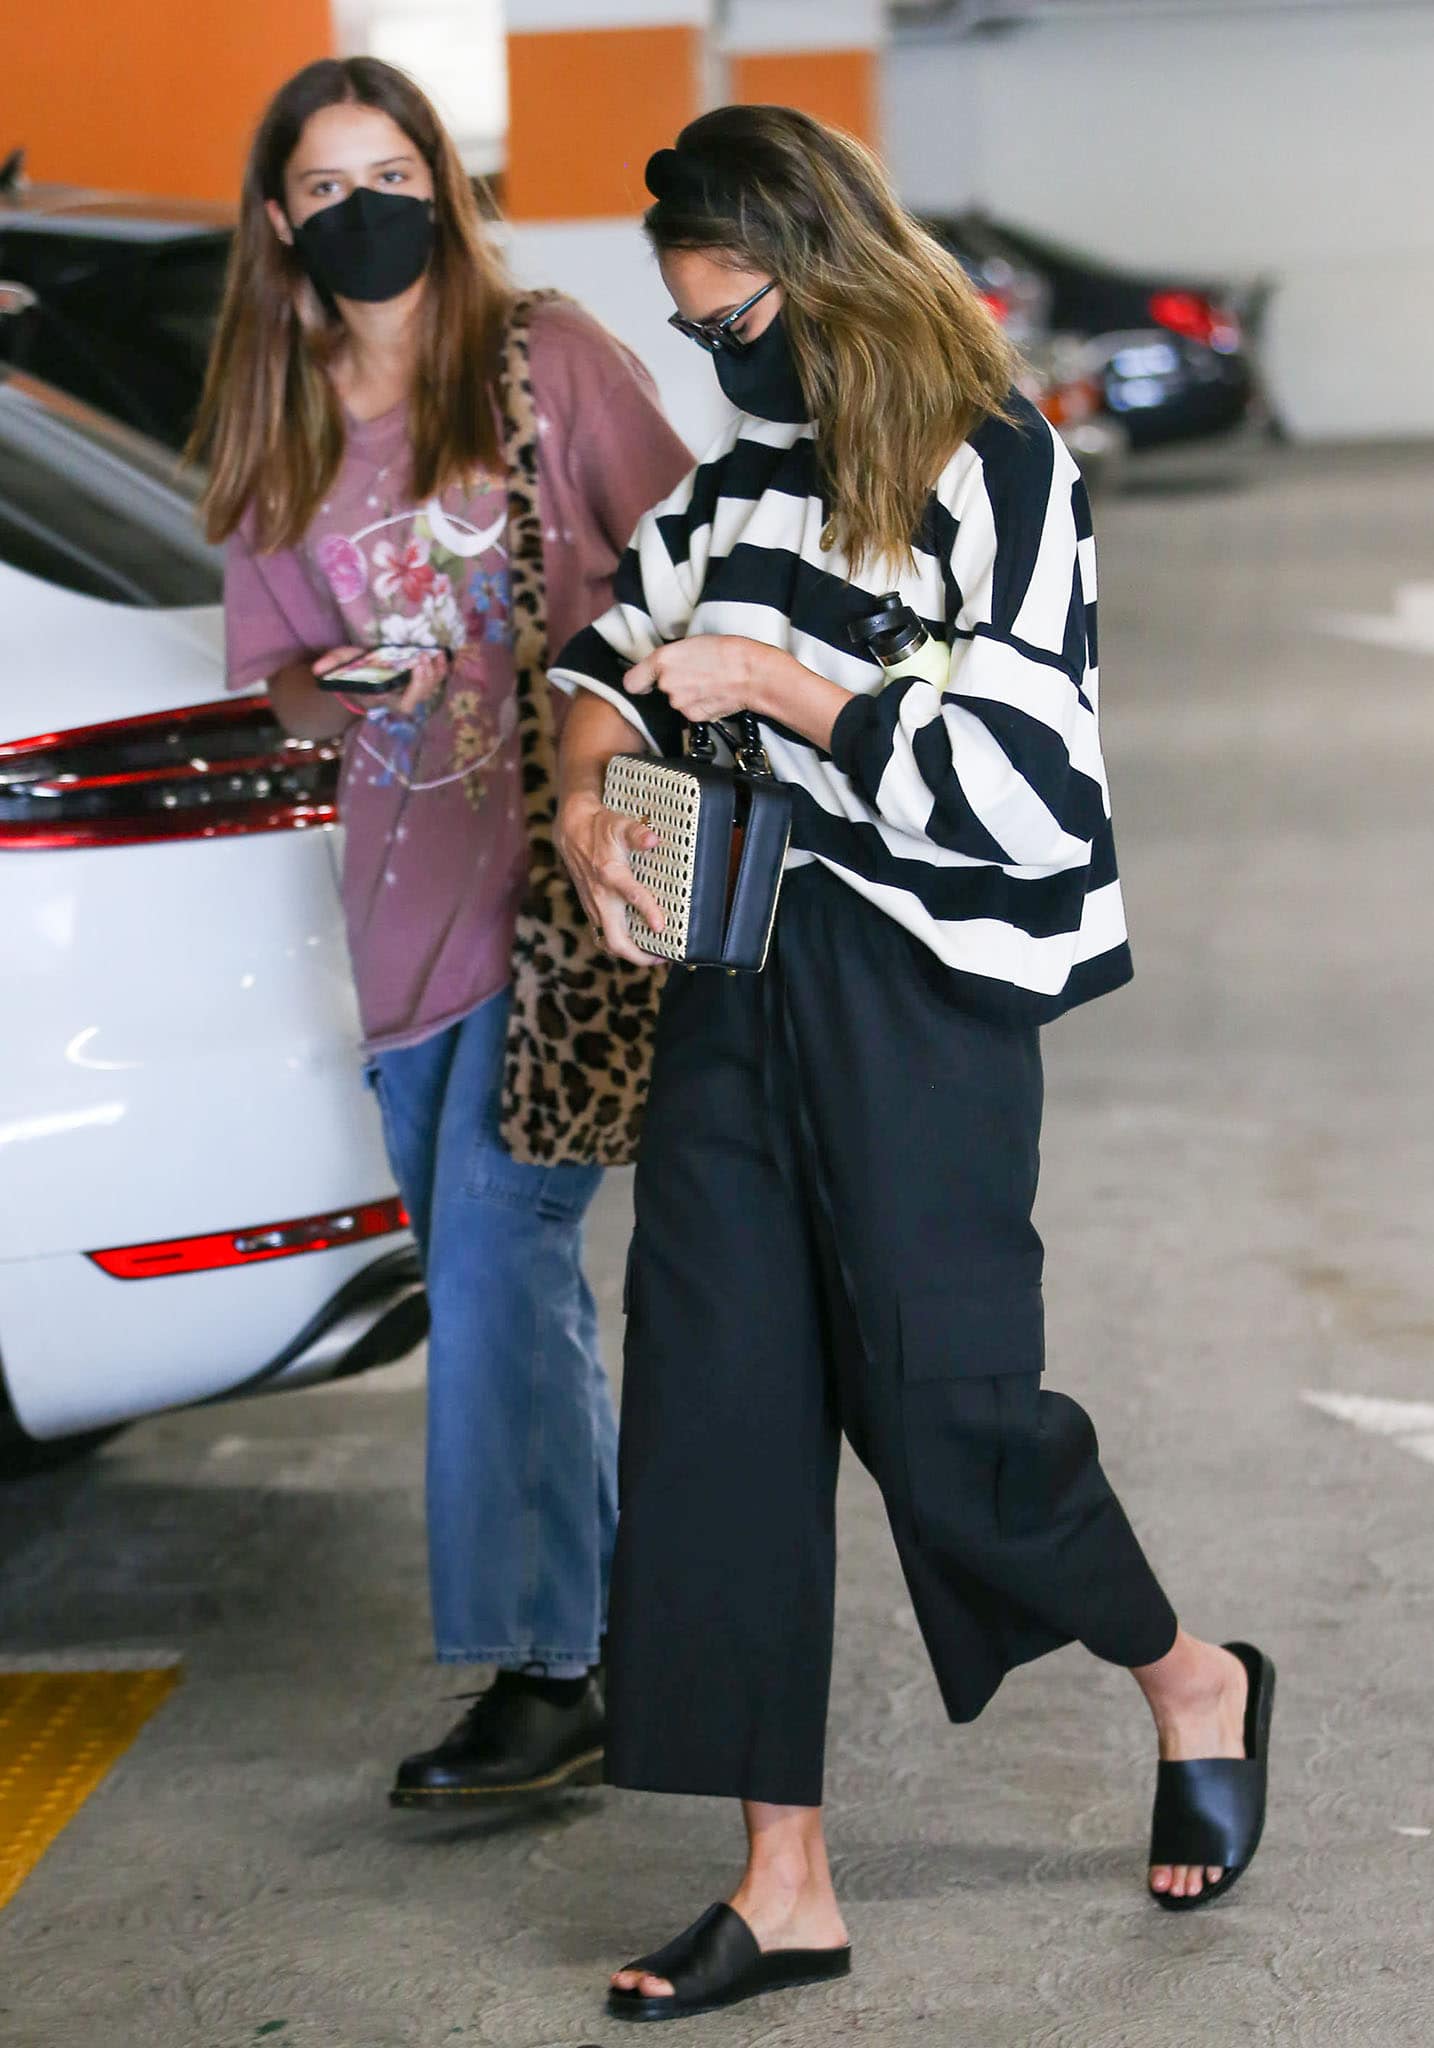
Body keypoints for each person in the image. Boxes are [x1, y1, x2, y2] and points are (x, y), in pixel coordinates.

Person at [553, 106, 1275, 2022]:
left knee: (948, 1409)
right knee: (714, 1407)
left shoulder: (996, 465)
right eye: (696, 333)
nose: (724, 364)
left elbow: (1037, 790)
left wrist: (786, 685)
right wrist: (582, 797)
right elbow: (601, 650)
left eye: (737, 322)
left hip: (920, 986)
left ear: (824, 265)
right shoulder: (736, 484)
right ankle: (780, 1880)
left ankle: (1185, 1670)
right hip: (735, 973)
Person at [191, 57, 690, 1805]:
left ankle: (549, 1674)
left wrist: (595, 702)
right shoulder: (276, 415)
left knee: (491, 1265)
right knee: (508, 1288)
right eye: (324, 189)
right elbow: (268, 689)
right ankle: (618, 1635)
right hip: (396, 911)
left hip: (564, 906)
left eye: (389, 172)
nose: (361, 211)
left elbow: (693, 557)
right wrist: (324, 685)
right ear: (279, 221)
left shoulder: (546, 359)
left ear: (445, 183)